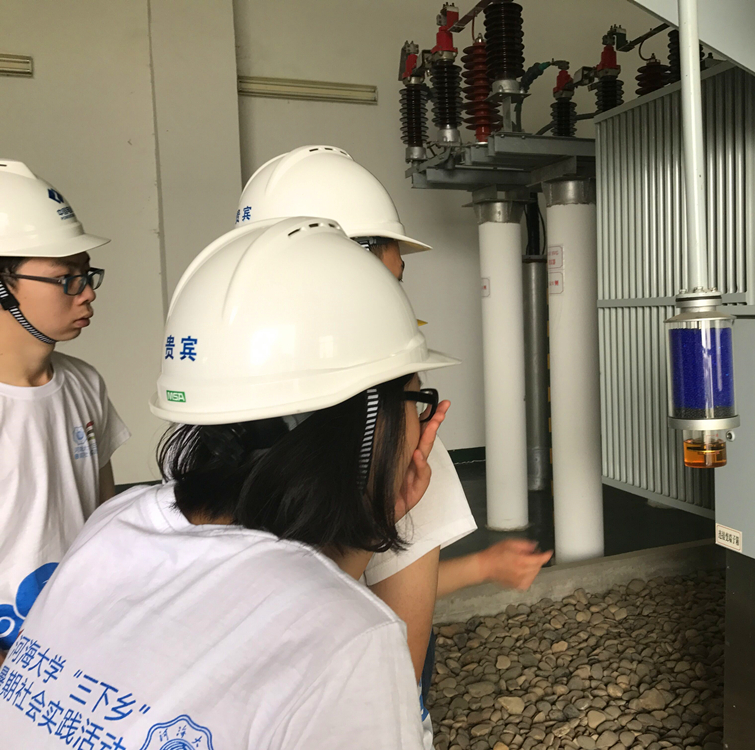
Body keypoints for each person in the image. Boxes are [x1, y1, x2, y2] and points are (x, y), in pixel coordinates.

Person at [0, 216, 453, 748]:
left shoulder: (117, 520)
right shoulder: (355, 637)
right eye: (417, 400)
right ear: (367, 419)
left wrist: (364, 522)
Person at [236, 145, 552, 686]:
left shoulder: (216, 427)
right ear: (352, 264)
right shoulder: (396, 433)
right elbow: (399, 656)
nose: (401, 296)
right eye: (395, 276)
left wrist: (482, 566)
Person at [0, 161, 129, 661]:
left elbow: (103, 517)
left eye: (86, 273)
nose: (88, 292)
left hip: (75, 647)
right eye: (66, 278)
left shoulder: (84, 383)